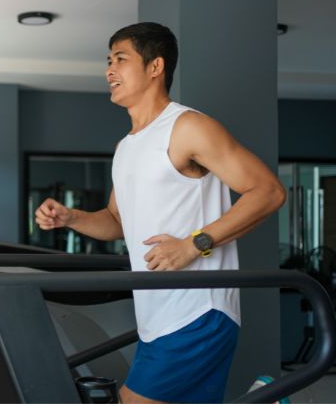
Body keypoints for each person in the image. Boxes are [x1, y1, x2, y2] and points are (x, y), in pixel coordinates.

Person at [35, 22, 286, 403]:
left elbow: (267, 191)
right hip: (156, 316)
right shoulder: (127, 146)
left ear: (156, 67)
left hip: (198, 311)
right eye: (108, 61)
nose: (109, 71)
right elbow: (118, 221)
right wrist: (72, 218)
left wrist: (194, 244)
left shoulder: (187, 127)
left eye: (120, 59)